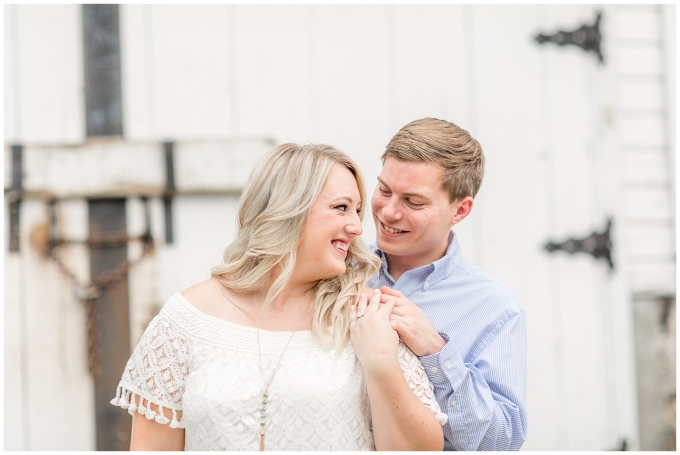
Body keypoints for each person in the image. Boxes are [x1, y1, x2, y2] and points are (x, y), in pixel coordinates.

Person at [110, 143, 447, 451]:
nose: (358, 228)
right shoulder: (185, 320)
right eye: (341, 208)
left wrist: (381, 362)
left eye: (356, 212)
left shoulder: (369, 314)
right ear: (288, 211)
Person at [366, 118, 528, 450]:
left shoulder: (496, 309)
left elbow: (501, 443)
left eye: (413, 202)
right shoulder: (337, 272)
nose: (389, 212)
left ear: (461, 210)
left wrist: (436, 353)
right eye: (384, 190)